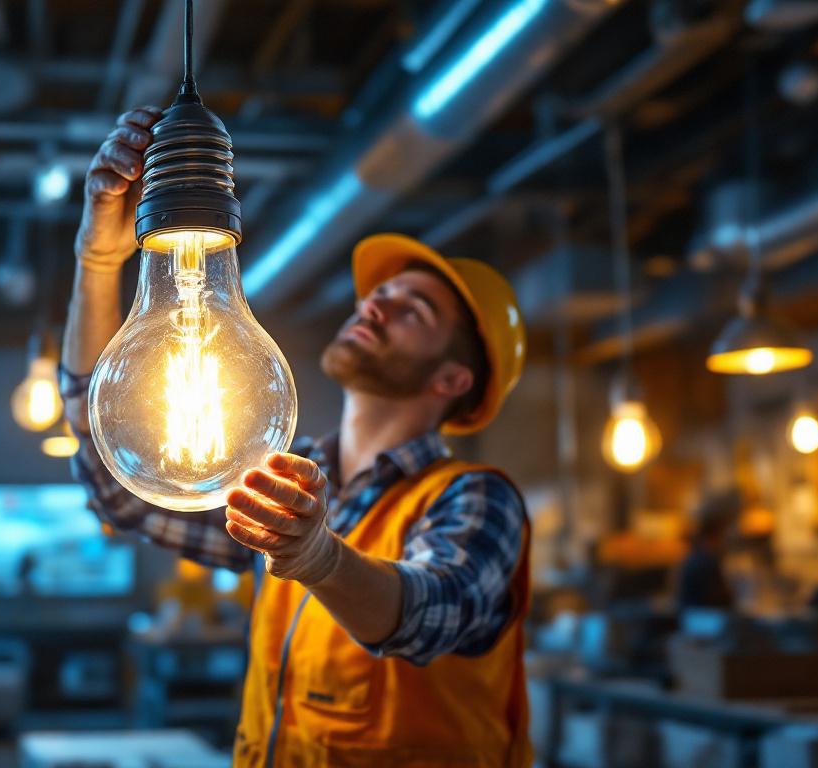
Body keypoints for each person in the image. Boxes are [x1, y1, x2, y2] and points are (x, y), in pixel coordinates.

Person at [60, 106, 532, 766]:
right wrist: (97, 259)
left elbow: (430, 612)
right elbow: (123, 489)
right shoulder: (283, 472)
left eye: (412, 310)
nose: (375, 304)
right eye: (380, 293)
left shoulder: (474, 500)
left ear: (454, 378)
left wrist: (319, 558)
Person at [677, 493, 738, 611]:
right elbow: (717, 597)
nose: (723, 541)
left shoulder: (693, 557)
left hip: (690, 618)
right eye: (722, 536)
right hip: (704, 620)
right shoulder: (706, 560)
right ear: (714, 535)